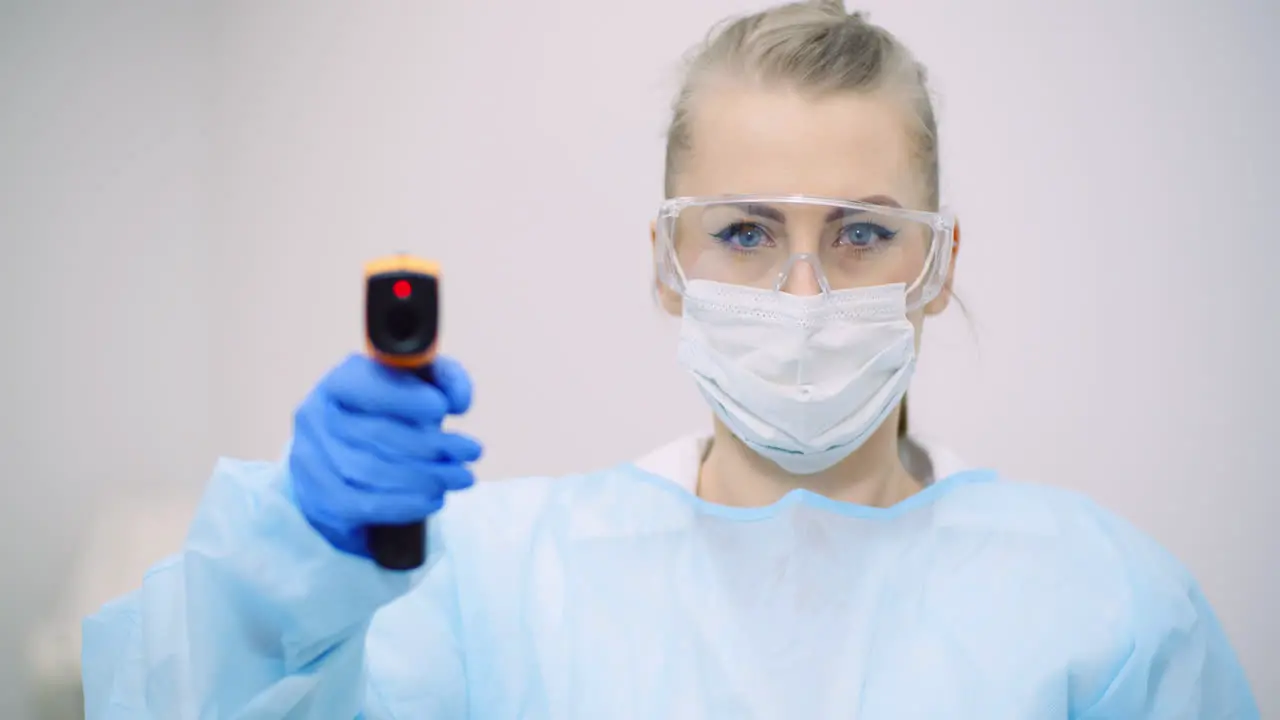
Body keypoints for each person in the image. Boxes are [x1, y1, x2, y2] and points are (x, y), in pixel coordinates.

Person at [81, 1, 1259, 717]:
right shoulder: (496, 589)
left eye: (859, 234)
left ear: (936, 266)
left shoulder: (1099, 605)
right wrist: (298, 557)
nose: (801, 295)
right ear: (665, 262)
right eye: (743, 233)